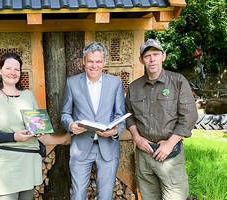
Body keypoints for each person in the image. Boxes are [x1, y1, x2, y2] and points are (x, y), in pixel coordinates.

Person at [125, 39, 198, 200]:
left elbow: (190, 115)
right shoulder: (134, 87)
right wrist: (136, 137)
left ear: (163, 56)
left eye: (156, 54)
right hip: (144, 154)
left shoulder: (178, 82)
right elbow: (128, 115)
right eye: (147, 56)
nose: (152, 59)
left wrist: (170, 143)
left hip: (169, 155)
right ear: (141, 60)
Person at [61, 42, 125, 200]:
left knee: (105, 196)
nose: (94, 65)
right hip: (80, 147)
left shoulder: (115, 83)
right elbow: (65, 113)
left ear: (104, 62)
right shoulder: (72, 82)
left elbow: (120, 115)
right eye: (90, 61)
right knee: (78, 195)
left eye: (98, 61)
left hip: (108, 147)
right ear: (84, 61)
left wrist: (116, 131)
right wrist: (70, 125)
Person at [0, 53, 42, 200]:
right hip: (3, 164)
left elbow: (36, 125)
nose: (13, 72)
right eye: (8, 68)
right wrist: (13, 137)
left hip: (28, 161)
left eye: (17, 69)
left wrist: (38, 131)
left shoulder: (28, 95)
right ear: (0, 69)